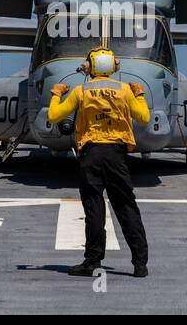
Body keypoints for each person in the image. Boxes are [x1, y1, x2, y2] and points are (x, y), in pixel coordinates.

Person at [47, 47, 151, 278]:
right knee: (126, 207)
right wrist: (140, 94)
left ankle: (92, 261)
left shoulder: (81, 91)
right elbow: (144, 117)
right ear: (113, 66)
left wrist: (56, 94)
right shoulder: (124, 90)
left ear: (91, 66)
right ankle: (140, 263)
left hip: (91, 154)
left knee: (94, 208)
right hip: (117, 155)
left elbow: (54, 116)